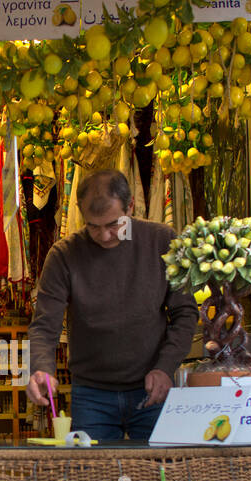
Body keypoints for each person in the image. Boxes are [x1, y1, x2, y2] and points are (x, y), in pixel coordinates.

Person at [26, 170, 197, 442]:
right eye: (93, 226)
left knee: (160, 476)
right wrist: (41, 368)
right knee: (93, 479)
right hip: (91, 394)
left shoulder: (162, 241)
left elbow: (185, 313)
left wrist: (165, 367)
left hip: (152, 387)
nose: (104, 236)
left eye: (114, 224)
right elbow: (45, 326)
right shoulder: (64, 255)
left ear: (130, 207)